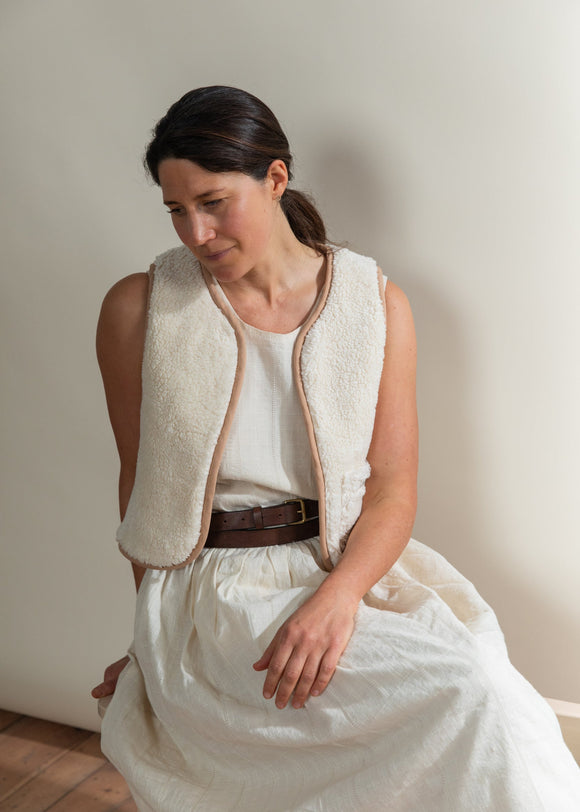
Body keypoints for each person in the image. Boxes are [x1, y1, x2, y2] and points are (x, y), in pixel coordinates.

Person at [92, 86, 580, 811]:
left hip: (346, 567)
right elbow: (144, 494)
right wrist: (147, 646)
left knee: (480, 685)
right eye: (175, 209)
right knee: (463, 693)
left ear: (277, 180)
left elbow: (392, 489)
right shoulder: (141, 306)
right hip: (212, 598)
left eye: (213, 201)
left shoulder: (374, 303)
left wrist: (339, 597)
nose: (194, 231)